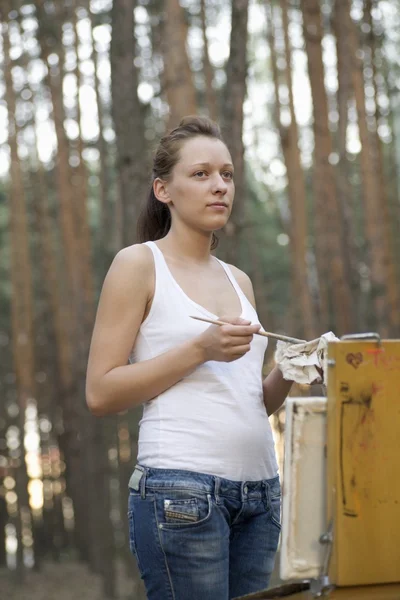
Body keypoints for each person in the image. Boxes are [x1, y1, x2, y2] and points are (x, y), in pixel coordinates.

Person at [85, 116, 294, 600]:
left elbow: (247, 402)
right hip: (180, 494)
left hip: (260, 494)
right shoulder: (138, 265)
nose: (219, 185)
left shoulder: (239, 280)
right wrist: (199, 349)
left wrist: (288, 371)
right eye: (201, 174)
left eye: (226, 174)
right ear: (164, 189)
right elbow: (100, 392)